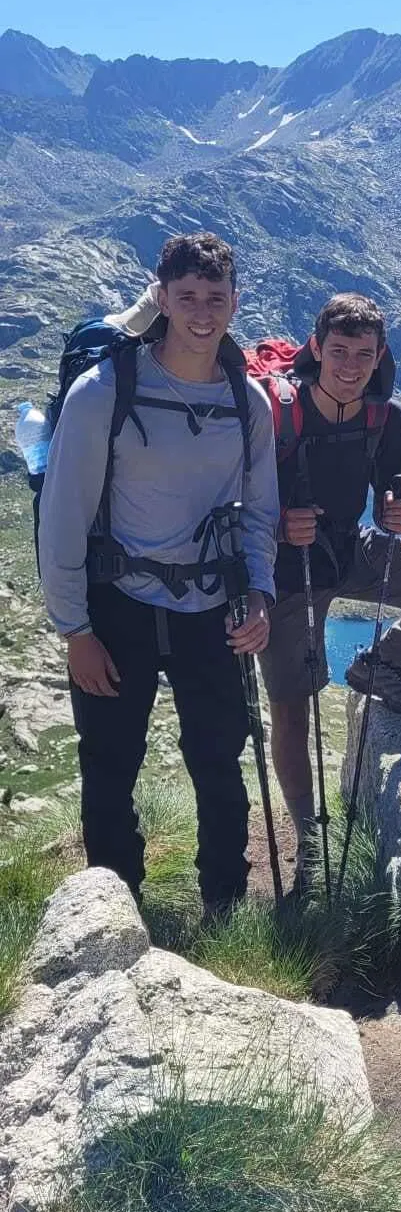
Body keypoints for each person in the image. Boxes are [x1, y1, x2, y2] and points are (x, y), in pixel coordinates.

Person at [38, 231, 279, 916]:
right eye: (188, 297)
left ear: (235, 301)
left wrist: (259, 594)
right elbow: (62, 517)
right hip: (117, 608)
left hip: (214, 607)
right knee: (110, 764)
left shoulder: (248, 401)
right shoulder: (104, 391)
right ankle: (115, 912)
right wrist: (74, 629)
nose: (203, 312)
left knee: (219, 762)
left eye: (216, 297)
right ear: (162, 296)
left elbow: (260, 513)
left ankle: (226, 907)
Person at [257, 292, 401, 896]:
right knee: (292, 709)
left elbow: (388, 500)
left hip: (348, 550)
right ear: (315, 349)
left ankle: (383, 665)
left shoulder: (389, 419)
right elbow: (229, 496)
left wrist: (397, 514)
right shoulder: (273, 412)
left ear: (379, 353)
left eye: (364, 353)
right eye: (338, 351)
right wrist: (278, 523)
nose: (351, 365)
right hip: (285, 571)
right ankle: (310, 841)